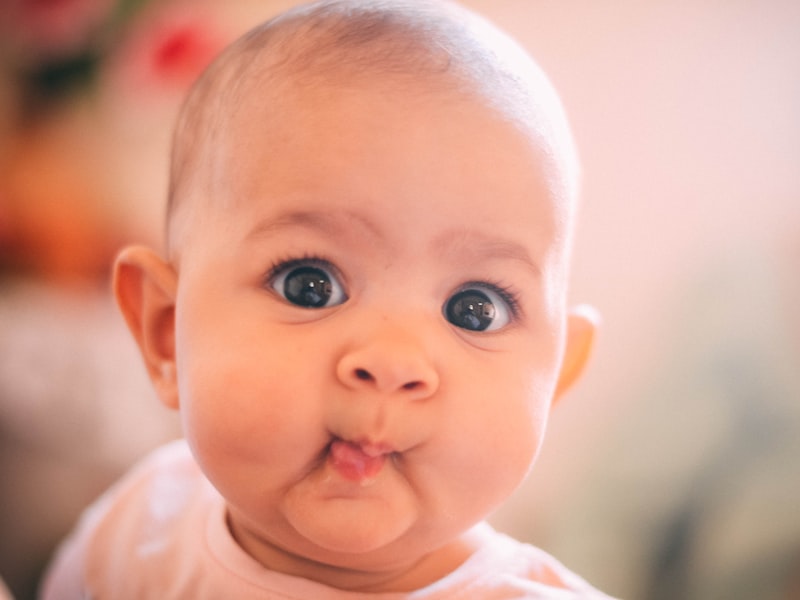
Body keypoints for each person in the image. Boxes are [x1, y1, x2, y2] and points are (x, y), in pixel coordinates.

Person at [41, 0, 612, 597]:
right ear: (165, 330)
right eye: (310, 285)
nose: (392, 362)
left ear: (555, 378)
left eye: (476, 309)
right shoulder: (139, 530)